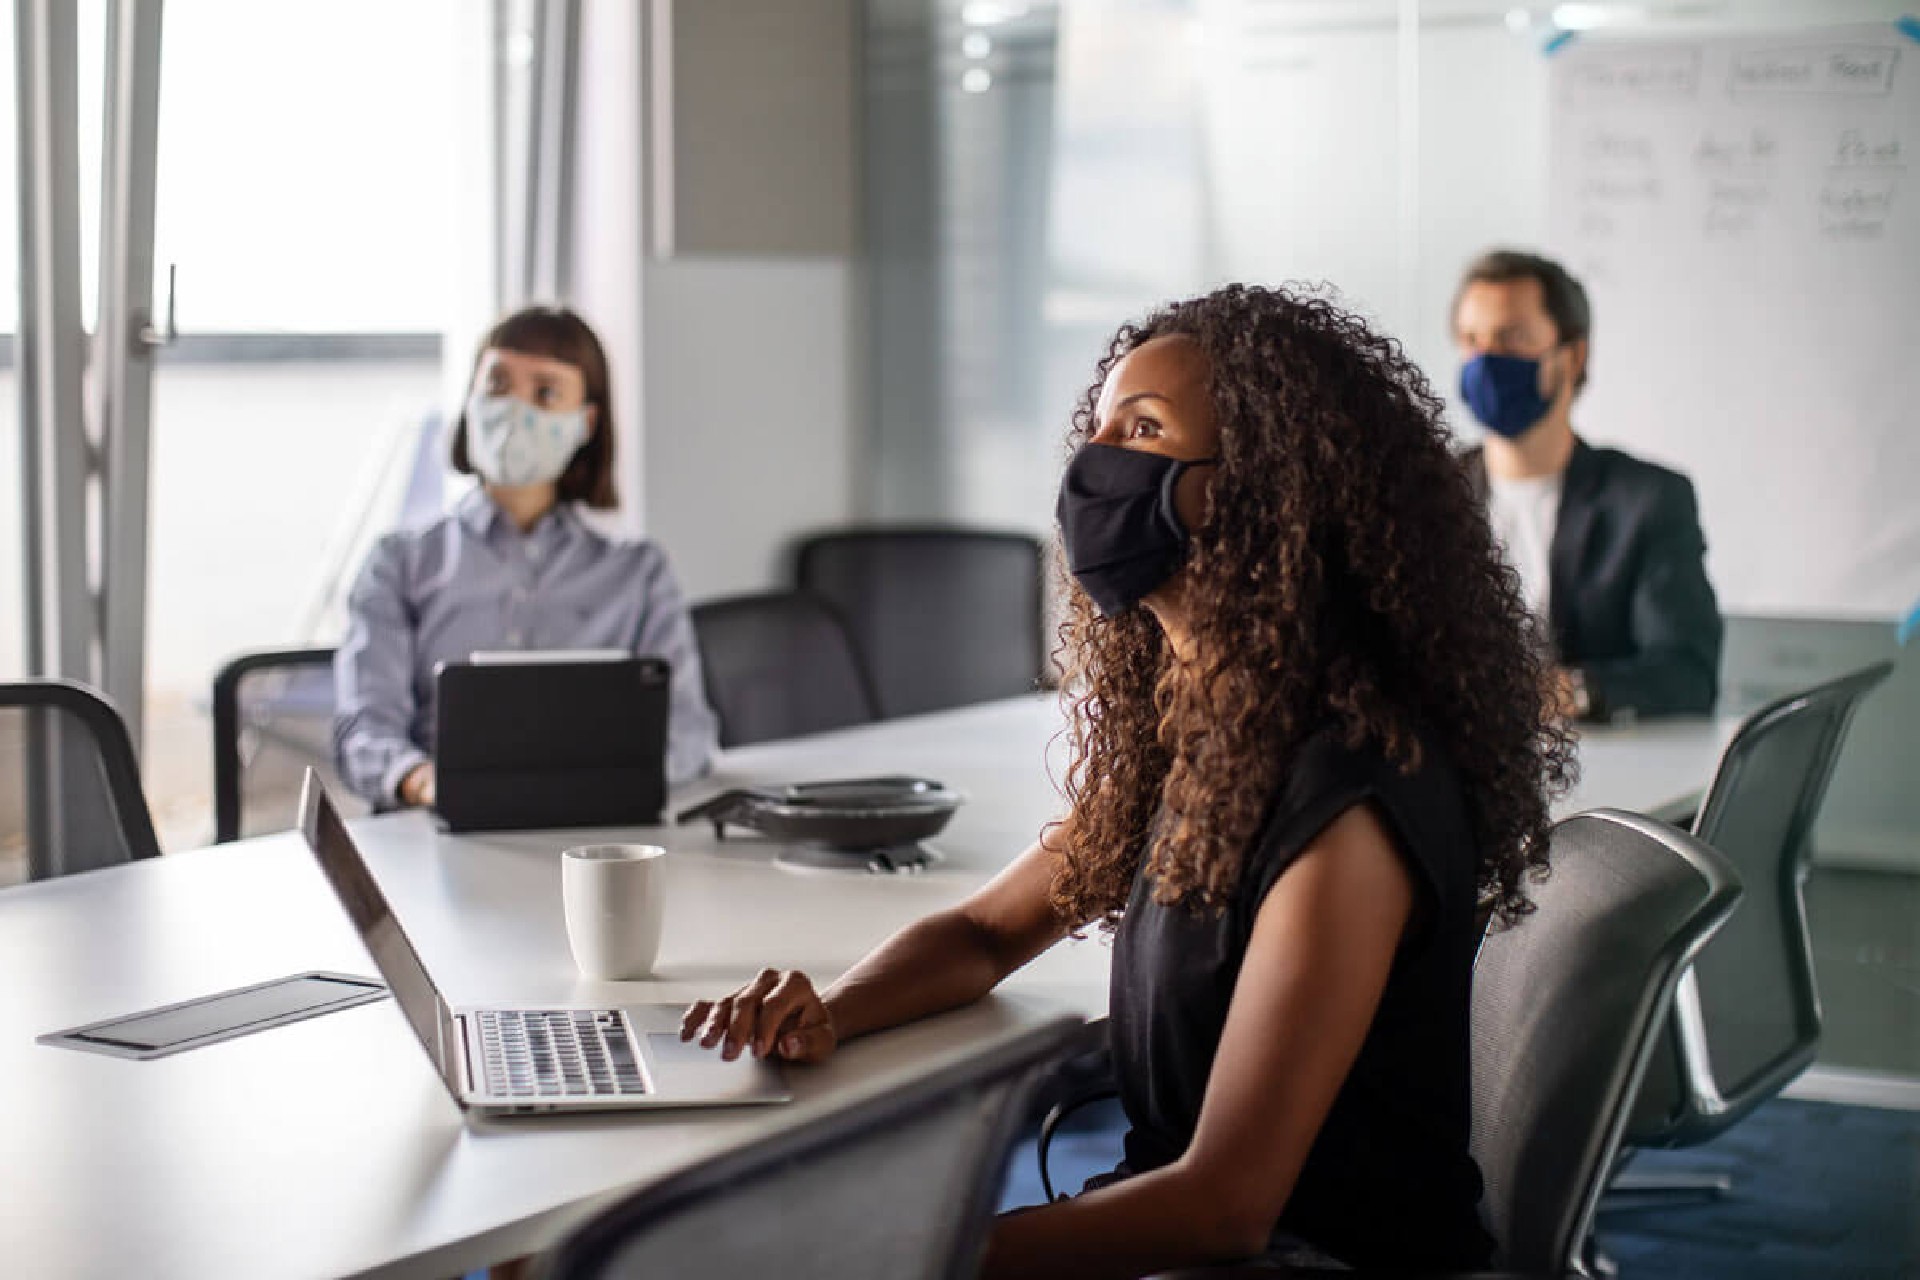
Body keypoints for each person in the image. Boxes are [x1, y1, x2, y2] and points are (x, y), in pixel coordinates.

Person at [680, 285, 1574, 1275]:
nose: (1096, 463)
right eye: (1099, 426)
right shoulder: (1204, 735)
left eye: (1143, 429)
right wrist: (835, 1008)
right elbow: (983, 932)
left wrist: (905, 1256)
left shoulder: (1351, 793)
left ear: (1259, 490)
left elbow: (1223, 1205)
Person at [333, 305, 718, 809]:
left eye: (545, 393)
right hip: (435, 829)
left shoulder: (638, 574)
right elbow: (365, 728)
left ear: (586, 423)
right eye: (497, 385)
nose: (515, 408)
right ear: (470, 399)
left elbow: (688, 734)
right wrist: (424, 780)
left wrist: (592, 784)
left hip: (597, 834)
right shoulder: (400, 562)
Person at [1452, 248, 1722, 721]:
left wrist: (1560, 693)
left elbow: (1687, 672)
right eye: (1472, 340)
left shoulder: (1648, 500)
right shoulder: (1428, 493)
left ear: (1573, 356)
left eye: (1512, 338)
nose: (1486, 361)